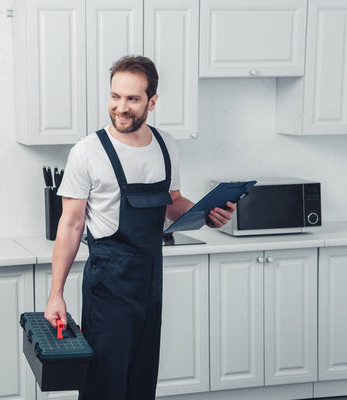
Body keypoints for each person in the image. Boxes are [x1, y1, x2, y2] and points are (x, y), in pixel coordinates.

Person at [44, 55, 235, 400]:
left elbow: (171, 201)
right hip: (108, 279)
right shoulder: (87, 152)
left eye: (132, 99)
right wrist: (56, 294)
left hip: (150, 275)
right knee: (104, 381)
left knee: (142, 377)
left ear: (152, 101)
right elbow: (70, 226)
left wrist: (208, 213)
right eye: (115, 97)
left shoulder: (166, 145)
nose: (121, 107)